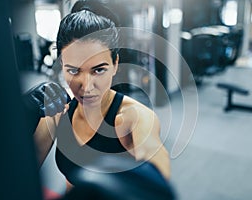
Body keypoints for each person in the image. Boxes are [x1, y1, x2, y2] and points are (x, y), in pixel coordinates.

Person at [23, 0, 173, 199]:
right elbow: (18, 175)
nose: (86, 87)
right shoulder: (58, 112)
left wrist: (151, 184)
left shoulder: (132, 117)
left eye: (99, 70)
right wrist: (18, 118)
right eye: (74, 70)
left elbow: (156, 164)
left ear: (115, 64)